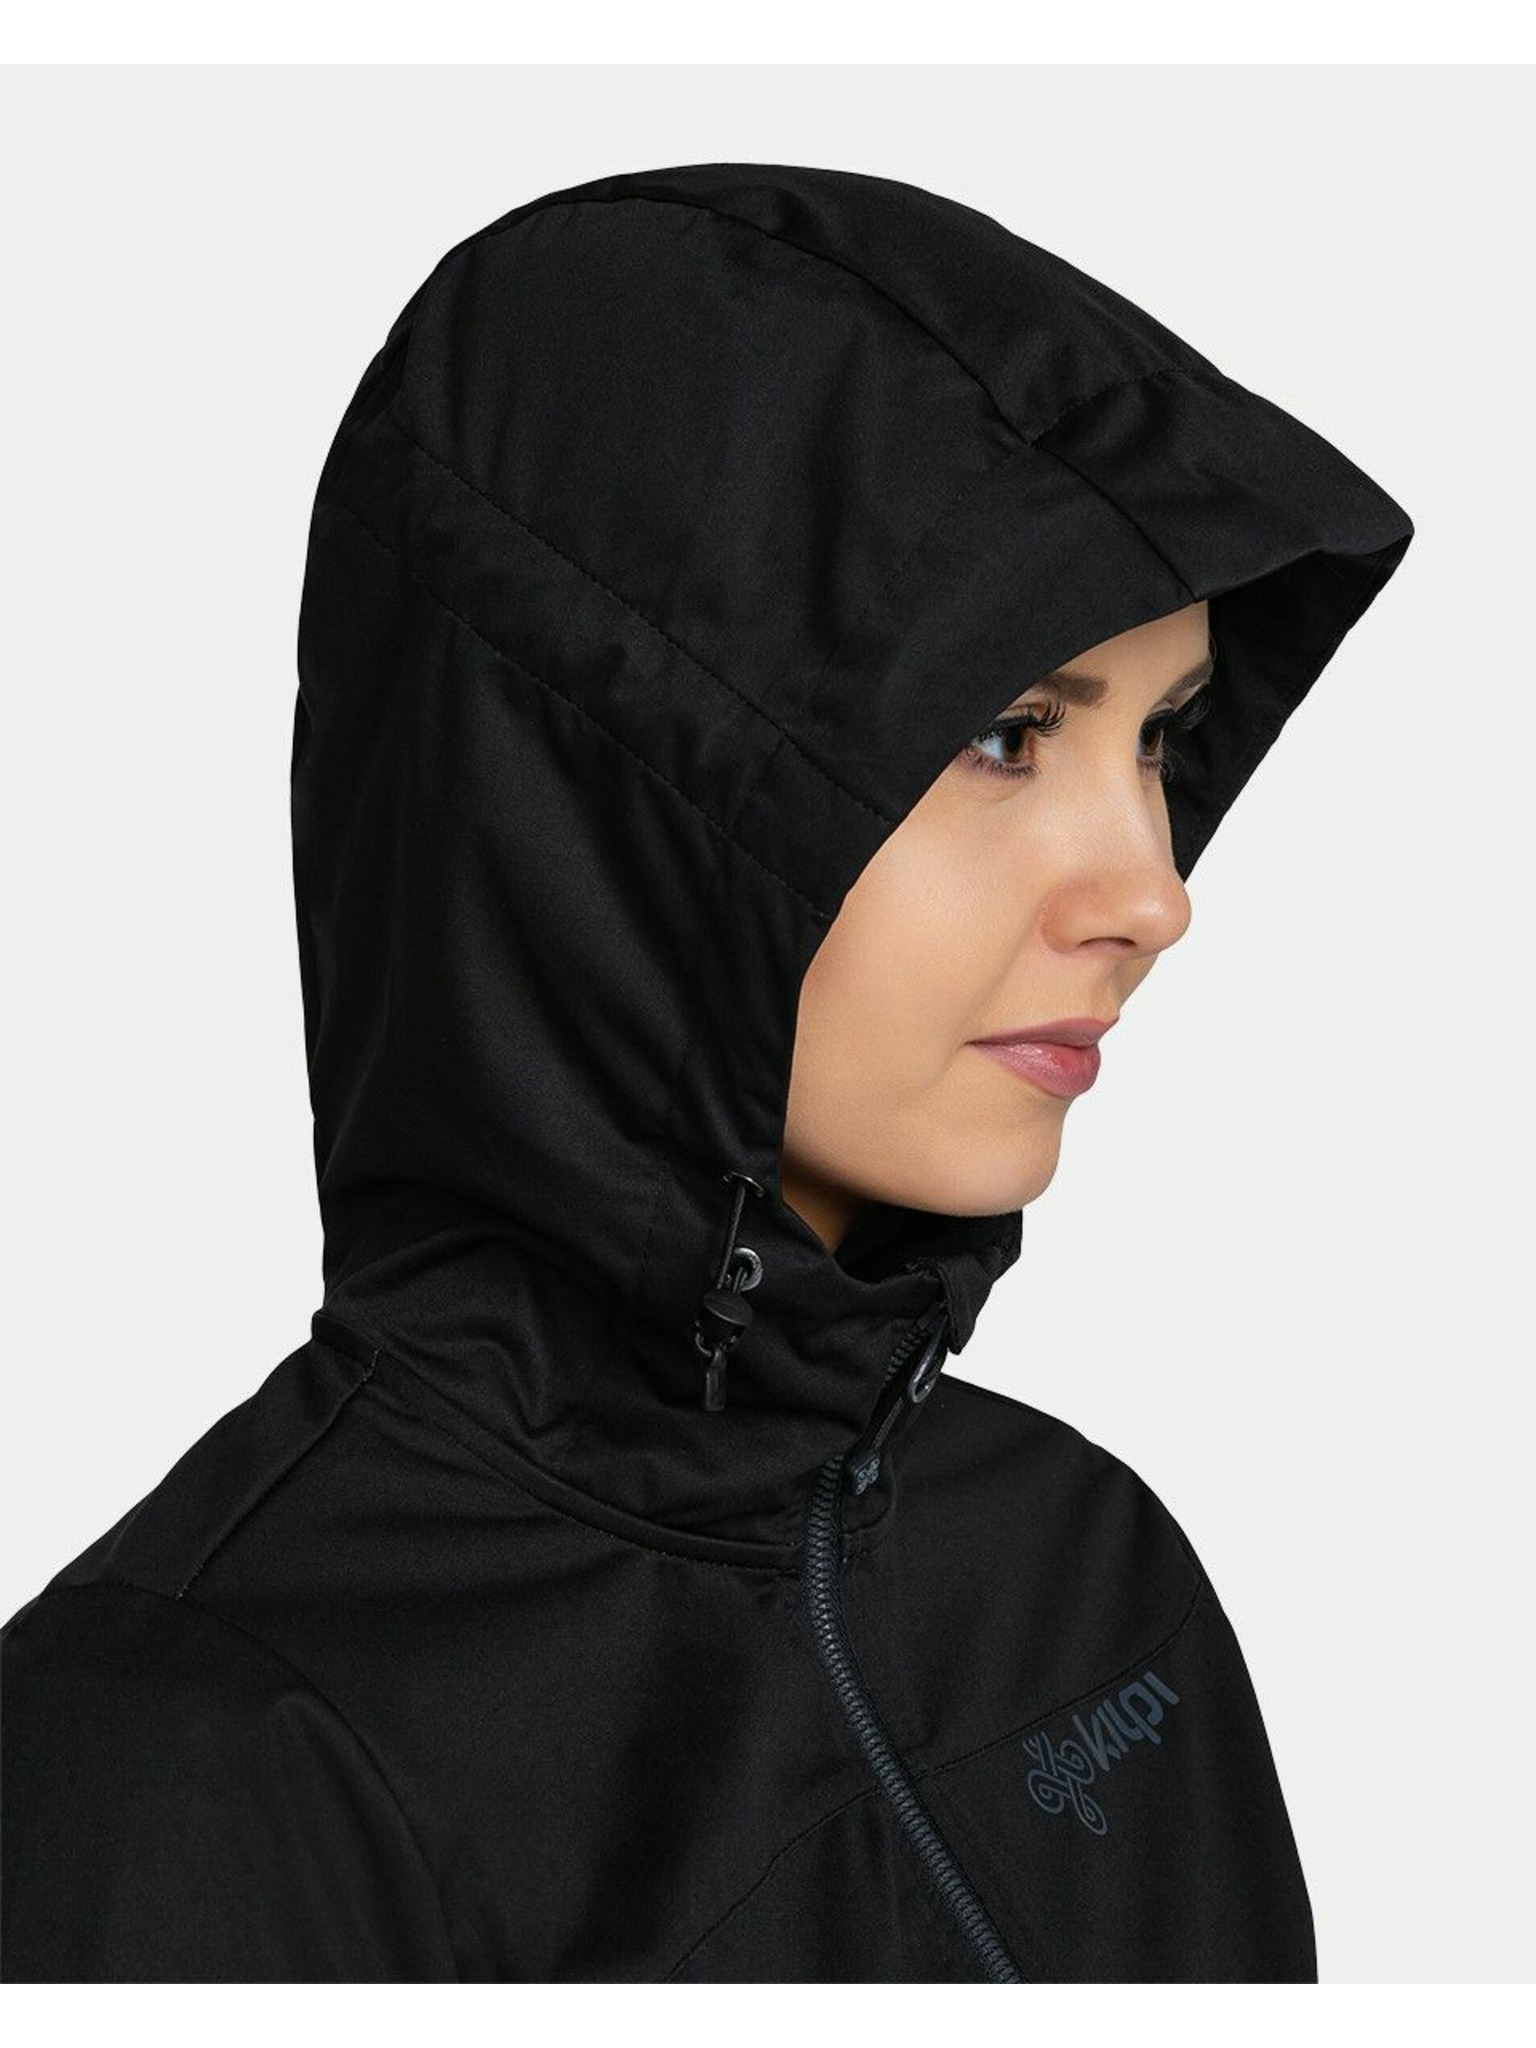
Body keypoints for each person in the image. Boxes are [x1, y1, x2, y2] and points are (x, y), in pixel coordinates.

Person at [0, 160, 1413, 1982]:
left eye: (1159, 740)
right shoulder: (178, 1773)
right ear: (600, 819)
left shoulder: (1081, 1576)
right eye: (1007, 733)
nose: (1152, 895)